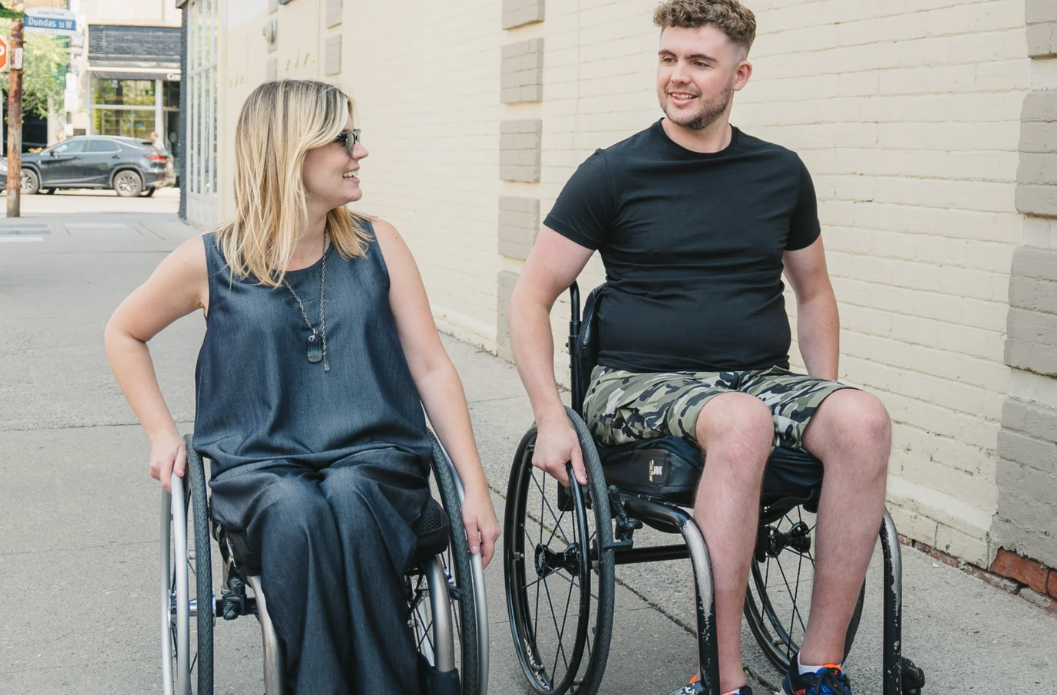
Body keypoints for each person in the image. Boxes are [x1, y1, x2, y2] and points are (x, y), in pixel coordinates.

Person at [506, 2, 890, 695]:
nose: (676, 77)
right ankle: (720, 679)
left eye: (697, 62)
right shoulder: (613, 173)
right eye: (667, 58)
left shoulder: (780, 173)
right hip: (635, 385)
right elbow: (530, 297)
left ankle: (817, 668)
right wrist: (552, 417)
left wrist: (821, 402)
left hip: (754, 376)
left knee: (861, 419)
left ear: (739, 75)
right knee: (740, 420)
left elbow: (812, 292)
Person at [105, 80, 500, 694]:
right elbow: (123, 332)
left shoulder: (378, 245)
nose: (359, 151)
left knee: (349, 499)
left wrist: (474, 486)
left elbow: (430, 367)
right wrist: (160, 435)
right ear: (292, 153)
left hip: (375, 458)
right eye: (342, 138)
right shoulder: (211, 262)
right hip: (260, 469)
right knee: (296, 513)